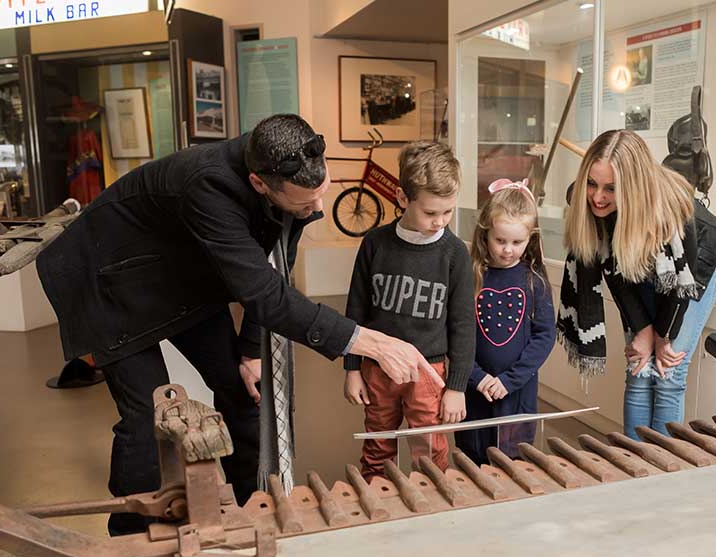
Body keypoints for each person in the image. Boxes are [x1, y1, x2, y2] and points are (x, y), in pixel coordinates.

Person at [36, 114, 442, 535]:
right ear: (259, 183)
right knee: (147, 417)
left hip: (178, 276)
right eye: (305, 203)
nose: (318, 208)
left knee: (245, 390)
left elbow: (271, 273)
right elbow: (265, 295)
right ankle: (130, 537)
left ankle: (249, 509)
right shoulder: (206, 185)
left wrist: (250, 351)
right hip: (108, 280)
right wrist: (367, 342)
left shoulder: (286, 165)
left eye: (321, 194)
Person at [557, 130, 716, 441]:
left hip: (691, 267)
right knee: (638, 368)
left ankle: (660, 469)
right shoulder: (592, 204)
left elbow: (678, 287)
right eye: (591, 184)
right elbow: (615, 274)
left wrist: (663, 335)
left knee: (667, 370)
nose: (597, 197)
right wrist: (642, 330)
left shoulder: (672, 210)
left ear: (632, 187)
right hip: (637, 266)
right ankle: (632, 462)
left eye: (610, 188)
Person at [342, 141, 474, 479]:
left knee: (430, 453)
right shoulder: (375, 243)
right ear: (403, 198)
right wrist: (352, 368)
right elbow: (356, 308)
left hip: (430, 373)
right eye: (430, 213)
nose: (440, 221)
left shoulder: (455, 253)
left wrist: (456, 388)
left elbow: (462, 324)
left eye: (448, 212)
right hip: (378, 367)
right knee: (377, 447)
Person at [455, 178, 555, 465]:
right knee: (472, 457)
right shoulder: (471, 275)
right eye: (500, 240)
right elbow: (459, 333)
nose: (508, 249)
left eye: (517, 242)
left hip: (516, 393)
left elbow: (544, 336)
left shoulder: (534, 280)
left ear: (530, 239)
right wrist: (477, 377)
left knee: (513, 459)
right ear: (485, 234)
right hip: (476, 392)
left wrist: (509, 380)